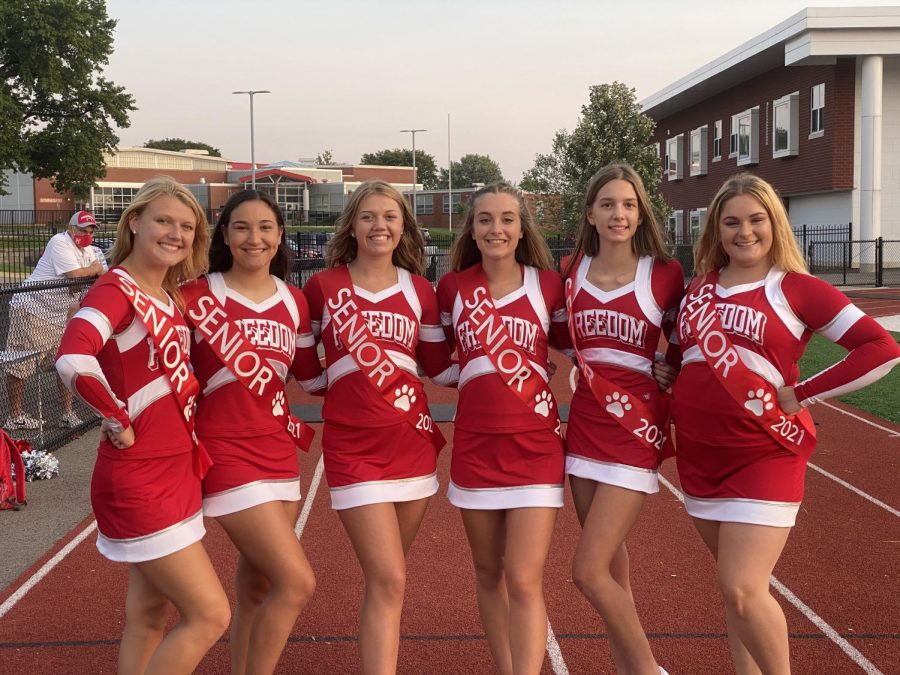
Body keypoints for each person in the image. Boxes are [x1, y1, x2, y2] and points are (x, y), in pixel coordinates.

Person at [670, 173, 900, 675]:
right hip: (700, 455)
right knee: (734, 594)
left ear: (775, 223)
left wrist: (802, 393)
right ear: (716, 229)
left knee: (743, 586)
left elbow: (881, 349)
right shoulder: (697, 290)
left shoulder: (795, 288)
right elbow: (679, 358)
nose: (744, 231)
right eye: (731, 222)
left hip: (765, 452)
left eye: (756, 219)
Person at [55, 177, 230, 674]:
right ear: (134, 221)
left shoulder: (168, 294)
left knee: (150, 618)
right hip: (140, 476)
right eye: (163, 221)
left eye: (186, 226)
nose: (175, 233)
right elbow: (73, 356)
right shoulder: (116, 289)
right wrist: (114, 414)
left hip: (178, 470)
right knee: (211, 614)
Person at [302, 180, 457, 674]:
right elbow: (307, 372)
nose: (379, 226)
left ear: (403, 226)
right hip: (353, 447)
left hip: (410, 443)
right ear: (352, 224)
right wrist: (354, 390)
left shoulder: (420, 290)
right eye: (368, 216)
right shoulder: (322, 287)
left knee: (388, 580)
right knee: (389, 576)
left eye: (389, 216)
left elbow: (437, 366)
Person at [181, 190, 324, 675]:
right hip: (225, 452)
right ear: (224, 235)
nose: (254, 238)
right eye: (241, 227)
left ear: (280, 235)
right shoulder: (195, 295)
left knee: (257, 588)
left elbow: (310, 374)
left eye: (265, 227)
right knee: (296, 582)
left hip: (279, 452)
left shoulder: (295, 300)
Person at [436, 182, 568, 675]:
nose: (497, 228)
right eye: (486, 219)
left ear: (521, 227)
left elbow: (578, 346)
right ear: (472, 228)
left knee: (524, 578)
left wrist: (655, 366)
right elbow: (437, 359)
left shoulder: (547, 284)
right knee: (489, 573)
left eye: (507, 219)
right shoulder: (452, 288)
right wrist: (478, 377)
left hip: (535, 447)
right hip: (475, 447)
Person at [562, 164, 683, 675]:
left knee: (587, 571)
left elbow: (685, 337)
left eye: (629, 205)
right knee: (613, 568)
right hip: (584, 425)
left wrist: (669, 368)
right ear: (590, 212)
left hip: (635, 429)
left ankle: (649, 668)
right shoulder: (570, 270)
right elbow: (549, 332)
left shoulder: (664, 272)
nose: (619, 214)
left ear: (641, 214)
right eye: (608, 204)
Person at [5, 210, 107, 430]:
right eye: (82, 230)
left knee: (65, 363)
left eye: (90, 230)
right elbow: (76, 276)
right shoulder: (59, 242)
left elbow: (95, 280)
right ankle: (15, 415)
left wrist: (90, 272)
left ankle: (67, 413)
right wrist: (93, 270)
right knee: (21, 364)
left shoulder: (90, 251)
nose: (87, 234)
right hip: (32, 309)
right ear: (71, 229)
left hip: (60, 315)